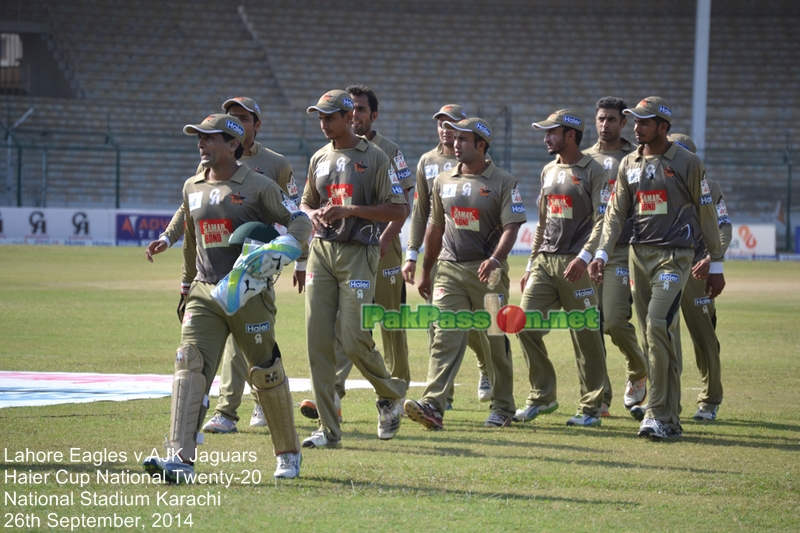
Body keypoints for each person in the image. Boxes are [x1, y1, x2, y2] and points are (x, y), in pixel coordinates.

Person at [142, 113, 312, 481]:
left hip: (248, 290)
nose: (201, 144)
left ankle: (287, 454)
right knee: (190, 365)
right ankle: (180, 460)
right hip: (205, 291)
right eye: (199, 139)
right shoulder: (192, 186)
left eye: (209, 138)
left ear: (233, 143)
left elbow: (301, 220)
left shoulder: (259, 185)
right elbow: (190, 239)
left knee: (265, 371)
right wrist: (187, 286)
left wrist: (287, 248)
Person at [588, 97, 726, 441]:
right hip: (638, 256)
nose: (636, 128)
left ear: (663, 127)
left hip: (675, 257)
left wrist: (716, 262)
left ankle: (656, 413)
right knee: (660, 336)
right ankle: (670, 416)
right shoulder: (628, 164)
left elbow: (709, 214)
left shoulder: (688, 163)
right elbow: (615, 215)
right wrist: (602, 254)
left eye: (644, 122)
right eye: (634, 121)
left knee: (655, 324)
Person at [298, 85, 414, 422]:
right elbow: (308, 201)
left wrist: (384, 240)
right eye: (355, 108)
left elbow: (402, 205)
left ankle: (398, 388)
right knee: (344, 326)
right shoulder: (321, 156)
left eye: (363, 109)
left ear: (369, 115)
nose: (358, 115)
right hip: (336, 250)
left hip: (382, 246)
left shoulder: (387, 152)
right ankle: (332, 392)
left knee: (389, 320)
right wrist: (313, 215)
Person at [404, 117, 525, 429]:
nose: (454, 144)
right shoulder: (442, 181)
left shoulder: (503, 181)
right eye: (454, 138)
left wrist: (496, 260)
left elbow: (512, 227)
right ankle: (433, 405)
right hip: (449, 270)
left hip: (489, 274)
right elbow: (435, 227)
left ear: (481, 145)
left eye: (463, 140)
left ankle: (502, 407)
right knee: (444, 336)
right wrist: (427, 270)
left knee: (494, 340)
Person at [515, 109, 608, 428]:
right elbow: (542, 222)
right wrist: (531, 262)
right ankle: (542, 396)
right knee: (523, 325)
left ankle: (591, 408)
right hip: (544, 261)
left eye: (551, 132)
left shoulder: (593, 171)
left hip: (576, 263)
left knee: (585, 335)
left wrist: (584, 257)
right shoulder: (548, 171)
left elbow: (604, 220)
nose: (545, 138)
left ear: (570, 134)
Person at [402, 104, 493, 407]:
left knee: (470, 322)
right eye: (441, 123)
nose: (445, 128)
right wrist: (412, 253)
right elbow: (420, 211)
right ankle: (444, 396)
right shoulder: (427, 161)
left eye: (452, 123)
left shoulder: (476, 161)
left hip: (467, 255)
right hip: (435, 251)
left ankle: (486, 369)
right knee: (437, 324)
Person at [583, 97, 648, 418]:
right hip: (588, 251)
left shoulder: (636, 157)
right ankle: (601, 397)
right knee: (591, 326)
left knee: (613, 321)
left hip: (622, 250)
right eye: (600, 118)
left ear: (623, 122)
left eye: (611, 119)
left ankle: (639, 370)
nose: (605, 124)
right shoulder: (584, 159)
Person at [669, 133, 731, 421]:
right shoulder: (654, 181)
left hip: (696, 269)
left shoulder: (710, 187)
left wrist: (712, 259)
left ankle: (710, 400)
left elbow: (723, 227)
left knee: (704, 338)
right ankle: (665, 401)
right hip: (663, 267)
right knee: (661, 334)